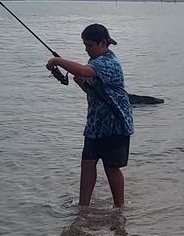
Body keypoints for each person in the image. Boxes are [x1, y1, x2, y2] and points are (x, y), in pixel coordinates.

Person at [46, 23, 134, 208]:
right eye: (85, 46)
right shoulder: (95, 63)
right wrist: (81, 83)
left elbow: (82, 71)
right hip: (96, 124)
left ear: (103, 43)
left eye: (89, 46)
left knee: (111, 168)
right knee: (87, 164)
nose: (87, 50)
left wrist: (57, 61)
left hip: (115, 124)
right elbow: (90, 89)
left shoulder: (110, 63)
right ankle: (83, 207)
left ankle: (120, 207)